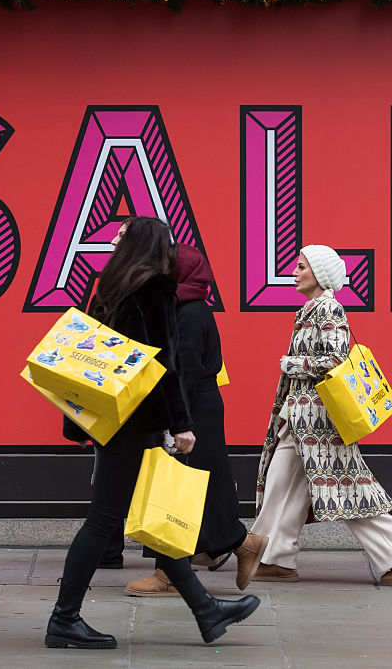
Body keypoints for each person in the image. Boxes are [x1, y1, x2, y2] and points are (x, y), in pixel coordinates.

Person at [47, 217, 260, 649]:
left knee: (148, 515)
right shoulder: (155, 286)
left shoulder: (110, 284)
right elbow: (163, 367)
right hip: (136, 424)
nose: (170, 252)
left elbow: (91, 354)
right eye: (166, 244)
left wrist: (81, 419)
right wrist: (180, 424)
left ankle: (205, 609)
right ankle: (64, 619)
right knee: (103, 519)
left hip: (114, 418)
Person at [247, 245, 392, 586]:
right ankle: (274, 557)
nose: (294, 272)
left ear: (319, 274)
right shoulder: (312, 309)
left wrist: (293, 364)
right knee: (280, 484)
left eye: (301, 267)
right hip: (301, 417)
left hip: (317, 420)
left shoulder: (329, 309)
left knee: (349, 486)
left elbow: (335, 359)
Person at [124, 242, 267, 596]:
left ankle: (170, 572)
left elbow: (183, 371)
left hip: (191, 408)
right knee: (200, 486)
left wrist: (175, 421)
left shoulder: (187, 313)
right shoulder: (187, 308)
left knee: (175, 488)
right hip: (196, 406)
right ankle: (239, 544)